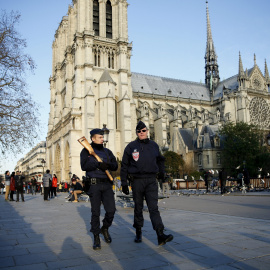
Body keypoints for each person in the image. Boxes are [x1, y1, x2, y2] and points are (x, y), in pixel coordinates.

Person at [120, 121, 173, 246]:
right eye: (139, 131)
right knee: (138, 207)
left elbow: (160, 160)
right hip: (137, 181)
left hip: (151, 181)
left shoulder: (154, 145)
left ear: (147, 131)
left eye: (143, 130)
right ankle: (138, 232)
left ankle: (160, 234)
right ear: (136, 133)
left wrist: (162, 173)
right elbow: (124, 166)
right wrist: (124, 183)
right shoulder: (131, 146)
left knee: (153, 208)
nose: (141, 133)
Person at [80, 128, 118, 250]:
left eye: (103, 137)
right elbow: (84, 166)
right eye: (100, 137)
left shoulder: (107, 151)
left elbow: (115, 165)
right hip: (94, 185)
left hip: (107, 185)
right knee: (95, 212)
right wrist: (97, 164)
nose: (102, 139)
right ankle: (96, 236)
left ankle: (105, 228)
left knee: (111, 210)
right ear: (93, 138)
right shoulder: (86, 151)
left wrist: (108, 165)